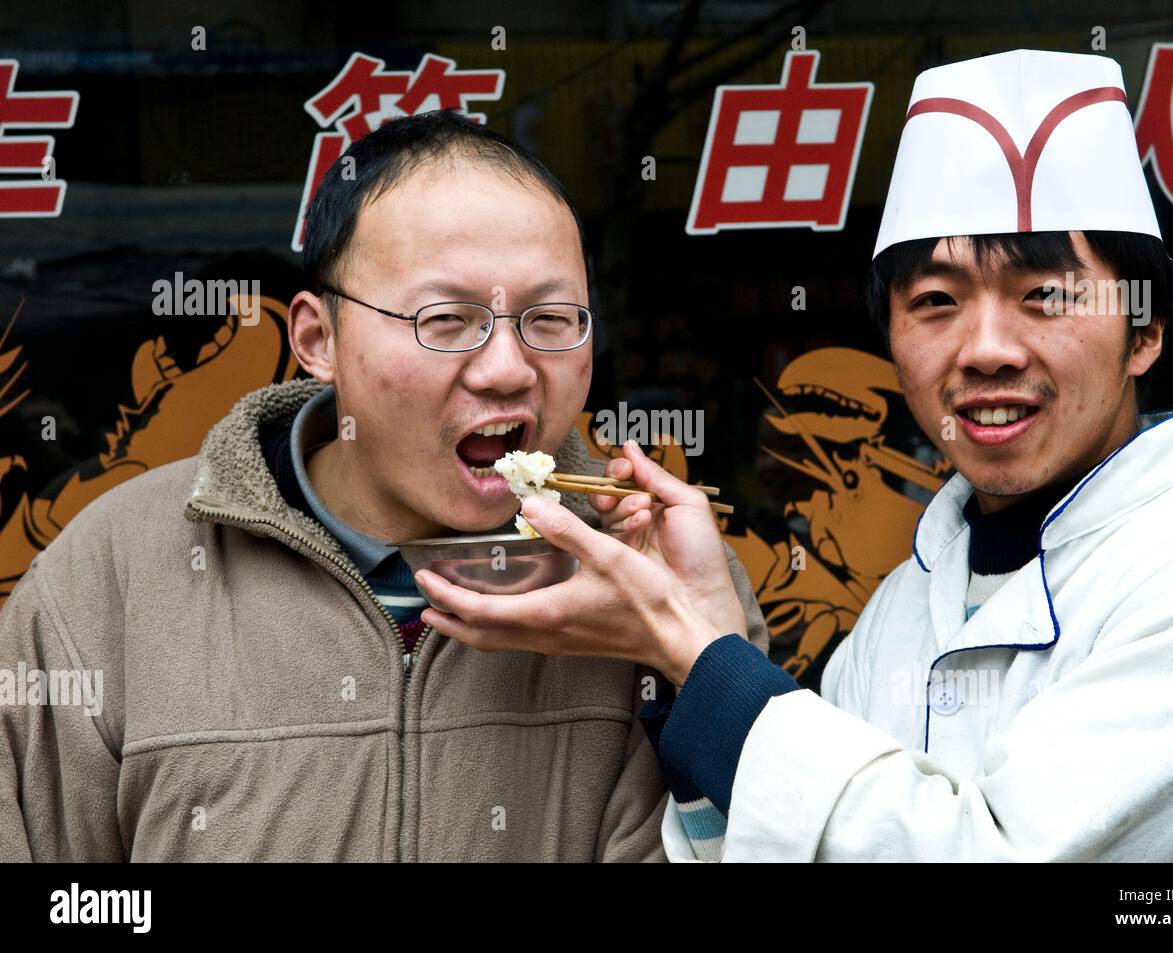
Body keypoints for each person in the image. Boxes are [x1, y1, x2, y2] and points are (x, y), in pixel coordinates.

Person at [414, 50, 1173, 861]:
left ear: (1143, 331)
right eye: (938, 300)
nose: (987, 348)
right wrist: (705, 641)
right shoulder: (904, 605)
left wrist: (699, 652)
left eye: (1044, 296)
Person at [0, 110, 768, 862]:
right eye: (446, 318)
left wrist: (701, 661)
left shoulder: (652, 569)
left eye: (551, 316)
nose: (507, 367)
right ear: (317, 338)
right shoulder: (111, 573)